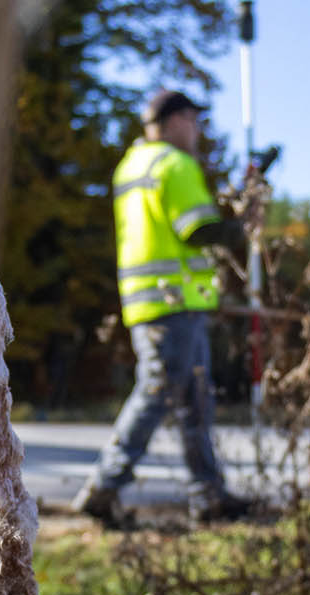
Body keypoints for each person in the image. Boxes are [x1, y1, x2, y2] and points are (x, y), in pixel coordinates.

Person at [72, 89, 257, 526]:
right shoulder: (175, 164)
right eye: (193, 120)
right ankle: (103, 487)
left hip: (151, 300)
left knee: (193, 400)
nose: (196, 130)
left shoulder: (132, 166)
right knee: (157, 394)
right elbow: (196, 230)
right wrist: (242, 226)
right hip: (174, 303)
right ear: (175, 121)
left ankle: (207, 495)